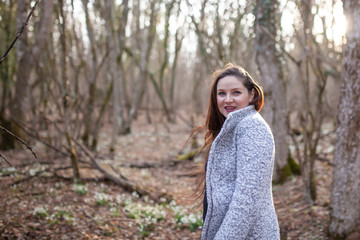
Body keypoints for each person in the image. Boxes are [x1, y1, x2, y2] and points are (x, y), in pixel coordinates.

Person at [191, 63, 280, 239]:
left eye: (236, 93)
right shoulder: (235, 127)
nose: (228, 99)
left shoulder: (253, 128)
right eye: (222, 93)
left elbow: (246, 201)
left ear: (251, 94)